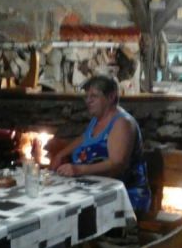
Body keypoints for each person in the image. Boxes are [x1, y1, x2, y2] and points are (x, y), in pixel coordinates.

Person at [50, 75, 151, 216]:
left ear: (111, 97)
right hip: (95, 191)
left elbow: (117, 164)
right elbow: (84, 138)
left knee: (70, 213)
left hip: (124, 197)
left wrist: (78, 169)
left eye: (94, 96)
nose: (88, 100)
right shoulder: (97, 120)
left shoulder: (122, 123)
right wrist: (61, 155)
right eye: (87, 96)